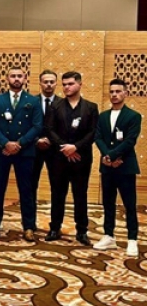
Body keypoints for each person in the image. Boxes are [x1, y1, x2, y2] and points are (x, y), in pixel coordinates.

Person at [0, 66, 42, 242]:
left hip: (24, 151)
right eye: (13, 76)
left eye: (19, 76)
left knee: (26, 190)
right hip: (1, 150)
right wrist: (5, 143)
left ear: (25, 78)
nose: (16, 79)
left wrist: (19, 144)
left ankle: (28, 227)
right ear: (7, 79)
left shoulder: (33, 101)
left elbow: (37, 126)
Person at [44, 71, 98, 245]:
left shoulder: (91, 107)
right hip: (58, 158)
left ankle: (82, 231)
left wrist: (76, 147)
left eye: (70, 84)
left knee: (80, 194)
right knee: (57, 194)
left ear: (80, 84)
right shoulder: (55, 106)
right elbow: (49, 130)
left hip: (81, 158)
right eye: (64, 84)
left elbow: (93, 132)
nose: (66, 87)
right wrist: (65, 147)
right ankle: (55, 228)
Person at [93, 78, 141, 257]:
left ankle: (132, 239)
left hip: (125, 166)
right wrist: (107, 156)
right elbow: (98, 137)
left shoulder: (133, 116)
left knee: (129, 204)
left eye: (118, 91)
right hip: (107, 166)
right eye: (112, 91)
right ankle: (108, 236)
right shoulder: (103, 116)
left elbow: (130, 140)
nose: (114, 94)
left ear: (125, 93)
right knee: (108, 203)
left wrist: (112, 156)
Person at [32, 69, 62, 203]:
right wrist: (37, 140)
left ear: (56, 84)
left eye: (51, 82)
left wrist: (51, 140)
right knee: (31, 185)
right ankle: (30, 216)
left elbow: (64, 128)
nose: (48, 84)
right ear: (40, 83)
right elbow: (26, 125)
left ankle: (56, 217)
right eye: (45, 82)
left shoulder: (63, 103)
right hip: (33, 149)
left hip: (55, 150)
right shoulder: (31, 102)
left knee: (57, 186)